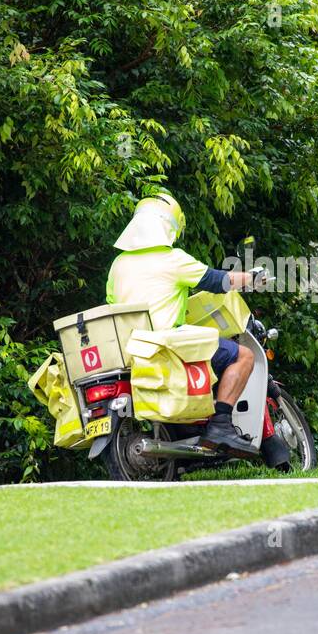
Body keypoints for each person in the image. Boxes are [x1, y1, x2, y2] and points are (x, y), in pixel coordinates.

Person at [106, 191, 257, 451]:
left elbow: (112, 303)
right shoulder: (172, 259)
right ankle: (221, 424)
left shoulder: (118, 264)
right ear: (170, 228)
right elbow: (218, 281)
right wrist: (252, 278)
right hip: (167, 347)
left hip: (130, 348)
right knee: (244, 356)